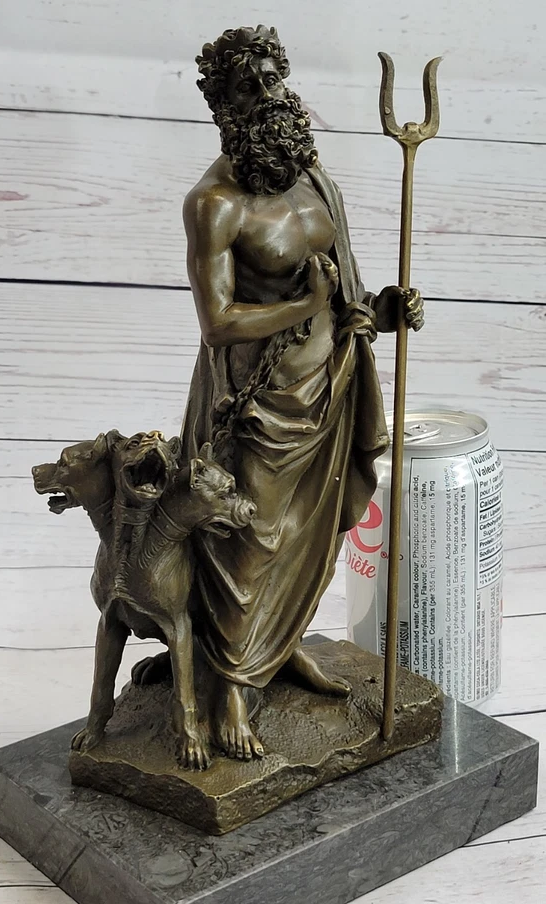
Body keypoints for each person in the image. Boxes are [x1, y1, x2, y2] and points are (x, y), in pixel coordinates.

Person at [180, 25, 423, 761]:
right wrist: (303, 305)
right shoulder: (214, 204)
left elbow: (345, 295)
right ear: (223, 107)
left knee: (311, 533)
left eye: (272, 79)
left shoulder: (315, 177)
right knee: (248, 539)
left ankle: (279, 647)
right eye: (246, 87)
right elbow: (219, 322)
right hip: (258, 403)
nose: (267, 95)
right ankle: (229, 684)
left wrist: (383, 310)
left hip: (333, 383)